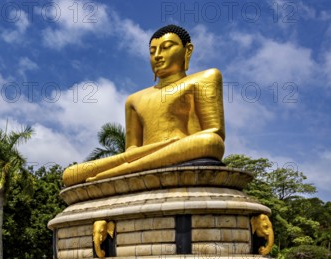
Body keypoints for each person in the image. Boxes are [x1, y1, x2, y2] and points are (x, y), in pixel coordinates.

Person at [63, 25, 225, 186]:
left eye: (166, 47)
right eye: (152, 51)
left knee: (211, 142)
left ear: (187, 50)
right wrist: (160, 147)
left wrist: (175, 145)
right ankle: (123, 171)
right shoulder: (134, 99)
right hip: (143, 156)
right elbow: (132, 149)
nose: (158, 56)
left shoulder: (205, 78)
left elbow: (215, 131)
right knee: (72, 174)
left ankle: (111, 175)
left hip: (187, 149)